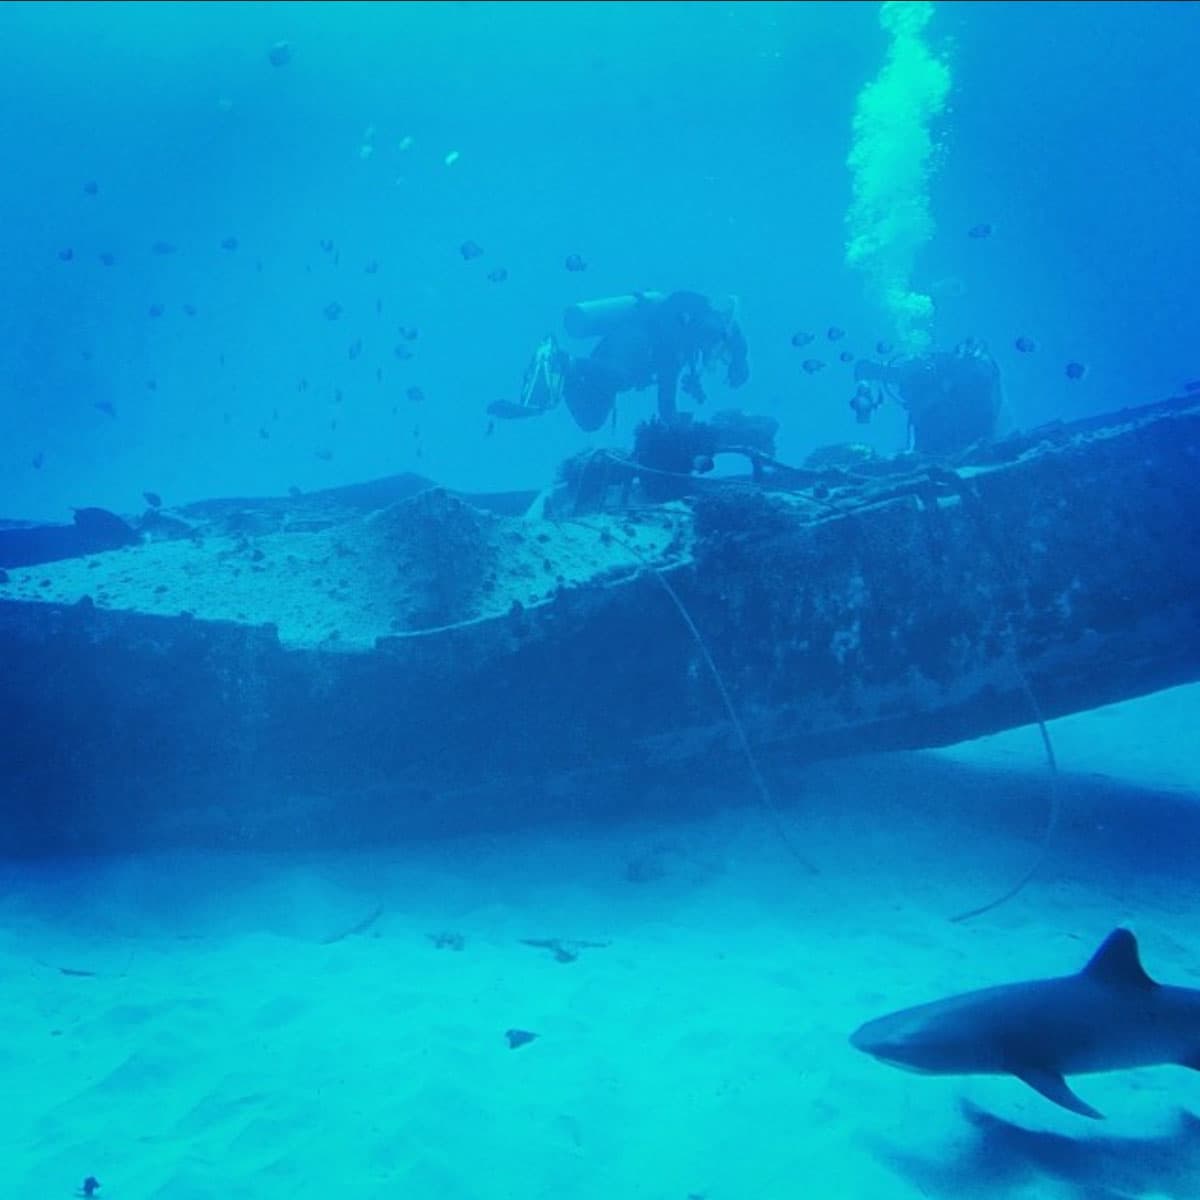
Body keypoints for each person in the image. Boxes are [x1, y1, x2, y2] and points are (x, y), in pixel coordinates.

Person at [489, 290, 749, 432]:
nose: (713, 357)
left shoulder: (685, 341)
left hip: (616, 354)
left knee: (591, 421)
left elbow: (667, 394)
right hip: (633, 341)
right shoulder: (685, 338)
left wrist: (673, 419)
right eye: (719, 352)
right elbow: (667, 392)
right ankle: (564, 361)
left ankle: (559, 380)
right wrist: (674, 422)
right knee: (621, 379)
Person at [852, 338, 1005, 456]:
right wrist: (863, 391)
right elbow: (863, 368)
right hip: (967, 441)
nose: (905, 395)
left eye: (907, 391)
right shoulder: (915, 374)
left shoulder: (921, 375)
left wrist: (863, 389)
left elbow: (864, 368)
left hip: (961, 439)